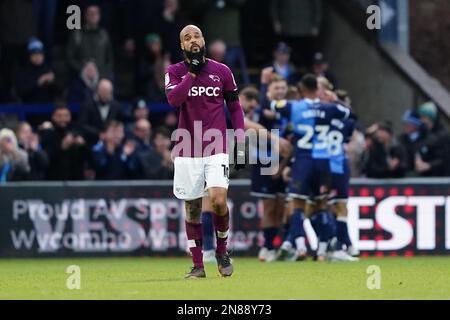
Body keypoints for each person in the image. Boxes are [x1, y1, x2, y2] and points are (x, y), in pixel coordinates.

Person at [165, 25, 245, 278]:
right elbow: (174, 100)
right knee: (192, 207)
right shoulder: (174, 71)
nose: (193, 40)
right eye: (187, 38)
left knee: (219, 199)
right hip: (187, 146)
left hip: (216, 144)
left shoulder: (222, 71)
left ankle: (222, 250)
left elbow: (235, 108)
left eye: (196, 35)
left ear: (203, 39)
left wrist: (240, 138)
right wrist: (191, 73)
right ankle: (198, 265)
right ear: (182, 46)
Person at [276, 74, 354, 261]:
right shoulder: (334, 112)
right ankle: (324, 247)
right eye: (319, 89)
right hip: (325, 165)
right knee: (318, 206)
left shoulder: (304, 110)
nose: (321, 93)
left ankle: (325, 246)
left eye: (323, 89)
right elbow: (350, 116)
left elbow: (277, 111)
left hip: (319, 164)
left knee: (313, 206)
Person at [39, 105, 88, 181]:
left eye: (66, 116)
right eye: (59, 116)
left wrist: (82, 146)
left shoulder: (76, 131)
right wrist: (61, 147)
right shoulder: (47, 133)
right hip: (54, 179)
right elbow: (46, 159)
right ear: (53, 117)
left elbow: (85, 158)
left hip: (75, 179)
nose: (63, 119)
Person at [66, 4, 114, 79]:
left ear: (99, 16)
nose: (93, 16)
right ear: (86, 16)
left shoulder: (104, 35)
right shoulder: (77, 35)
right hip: (81, 75)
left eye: (96, 14)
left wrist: (101, 72)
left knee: (106, 85)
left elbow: (110, 59)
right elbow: (70, 58)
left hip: (101, 74)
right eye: (91, 14)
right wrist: (83, 69)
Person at [78, 79, 125, 146]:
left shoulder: (116, 105)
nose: (106, 94)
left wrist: (114, 133)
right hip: (91, 140)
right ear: (98, 90)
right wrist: (99, 133)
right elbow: (82, 124)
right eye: (103, 91)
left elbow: (120, 122)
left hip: (112, 141)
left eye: (108, 91)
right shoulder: (87, 105)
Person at [16, 38, 58, 103]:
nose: (37, 57)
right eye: (34, 54)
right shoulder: (23, 71)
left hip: (48, 108)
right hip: (29, 108)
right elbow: (21, 92)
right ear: (29, 56)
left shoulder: (49, 69)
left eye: (40, 54)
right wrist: (38, 82)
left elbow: (59, 92)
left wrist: (52, 82)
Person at [415, 102, 450, 176]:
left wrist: (429, 165)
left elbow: (445, 159)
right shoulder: (423, 132)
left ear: (431, 118)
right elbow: (419, 148)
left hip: (441, 178)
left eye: (424, 117)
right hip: (426, 176)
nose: (421, 120)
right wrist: (418, 159)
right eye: (421, 117)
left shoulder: (443, 135)